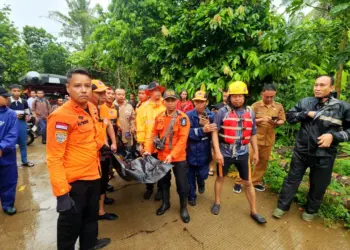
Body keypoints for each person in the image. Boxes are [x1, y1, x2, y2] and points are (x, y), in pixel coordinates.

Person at [46, 68, 111, 250]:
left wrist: (103, 144)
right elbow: (54, 157)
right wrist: (61, 194)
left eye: (87, 86)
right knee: (69, 229)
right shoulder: (61, 116)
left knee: (90, 221)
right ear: (68, 88)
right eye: (77, 86)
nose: (83, 90)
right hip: (75, 183)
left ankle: (89, 245)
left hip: (94, 175)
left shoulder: (92, 108)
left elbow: (94, 137)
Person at [273, 75, 350, 222]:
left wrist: (334, 136)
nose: (317, 88)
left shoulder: (342, 107)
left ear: (332, 88)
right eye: (316, 85)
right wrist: (306, 113)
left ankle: (310, 210)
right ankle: (282, 207)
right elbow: (290, 117)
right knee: (292, 180)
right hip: (302, 150)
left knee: (319, 185)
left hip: (325, 154)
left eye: (322, 85)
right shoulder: (306, 102)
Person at [211, 81, 266, 224]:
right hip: (225, 153)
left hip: (242, 153)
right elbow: (215, 132)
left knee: (248, 182)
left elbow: (253, 132)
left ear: (244, 97)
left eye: (240, 96)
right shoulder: (222, 112)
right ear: (229, 97)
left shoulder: (250, 112)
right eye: (234, 96)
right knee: (220, 178)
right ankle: (217, 202)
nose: (237, 99)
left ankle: (254, 211)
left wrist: (256, 152)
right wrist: (217, 152)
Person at [144, 89, 191, 223]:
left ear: (177, 101)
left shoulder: (183, 118)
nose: (170, 103)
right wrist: (148, 149)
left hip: (178, 157)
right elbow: (152, 136)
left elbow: (183, 140)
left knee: (182, 184)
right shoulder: (159, 117)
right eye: (167, 100)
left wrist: (172, 155)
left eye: (173, 100)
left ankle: (183, 208)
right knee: (163, 182)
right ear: (163, 102)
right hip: (161, 156)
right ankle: (166, 203)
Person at [234, 84, 286, 193]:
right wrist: (261, 119)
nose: (269, 99)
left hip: (268, 139)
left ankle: (255, 181)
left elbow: (282, 120)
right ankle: (239, 182)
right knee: (246, 160)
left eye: (272, 97)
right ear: (262, 94)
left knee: (263, 162)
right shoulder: (255, 106)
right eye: (267, 96)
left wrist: (275, 122)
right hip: (254, 139)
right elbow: (247, 120)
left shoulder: (278, 106)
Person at [90, 80, 118, 221]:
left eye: (104, 92)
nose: (103, 96)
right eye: (99, 93)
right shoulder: (86, 109)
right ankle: (98, 211)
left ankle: (101, 208)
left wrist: (112, 142)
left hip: (103, 151)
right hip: (90, 156)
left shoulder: (103, 108)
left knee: (103, 179)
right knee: (96, 184)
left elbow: (108, 126)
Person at [186, 90, 216, 206]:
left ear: (206, 102)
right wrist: (201, 130)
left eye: (202, 101)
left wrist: (208, 126)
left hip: (204, 152)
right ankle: (192, 195)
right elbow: (185, 133)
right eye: (197, 101)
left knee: (203, 174)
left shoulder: (212, 116)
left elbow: (215, 133)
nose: (199, 104)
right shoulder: (188, 115)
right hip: (191, 152)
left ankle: (201, 181)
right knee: (190, 177)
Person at [138, 82, 166, 200]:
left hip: (162, 144)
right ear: (149, 93)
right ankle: (149, 188)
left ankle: (160, 189)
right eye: (155, 90)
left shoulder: (165, 106)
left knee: (161, 168)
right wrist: (141, 143)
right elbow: (140, 127)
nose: (158, 92)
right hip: (148, 144)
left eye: (159, 90)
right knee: (148, 168)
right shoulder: (142, 108)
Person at [0, 87, 18, 216]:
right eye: (4, 97)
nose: (7, 99)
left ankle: (7, 205)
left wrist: (2, 147)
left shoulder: (11, 114)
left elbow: (13, 134)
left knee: (9, 181)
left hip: (7, 155)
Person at [8, 84, 34, 167]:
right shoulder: (6, 101)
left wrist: (27, 116)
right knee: (10, 144)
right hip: (10, 125)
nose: (16, 93)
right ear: (10, 91)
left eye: (18, 91)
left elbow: (28, 113)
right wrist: (14, 115)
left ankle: (25, 161)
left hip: (21, 123)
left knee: (23, 143)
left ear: (21, 91)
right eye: (14, 91)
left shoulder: (24, 101)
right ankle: (10, 162)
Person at [209, 90, 229, 176]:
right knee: (214, 150)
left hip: (228, 132)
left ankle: (223, 167)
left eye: (227, 96)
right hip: (217, 131)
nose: (226, 98)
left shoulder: (234, 107)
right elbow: (211, 117)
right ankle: (212, 167)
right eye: (224, 96)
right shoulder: (217, 106)